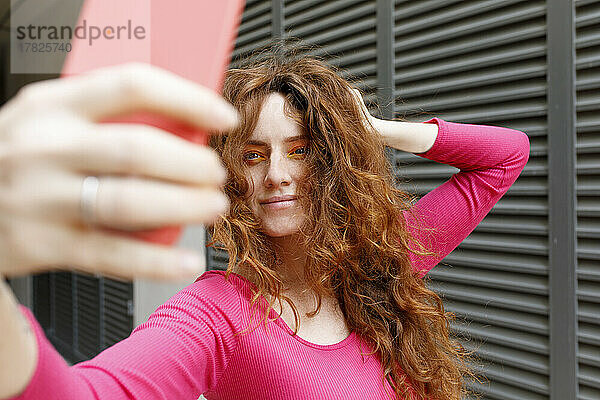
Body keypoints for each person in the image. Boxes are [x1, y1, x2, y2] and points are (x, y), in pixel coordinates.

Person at [0, 46, 530, 400]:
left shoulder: (385, 264)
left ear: (330, 162)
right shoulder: (220, 314)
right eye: (254, 156)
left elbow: (506, 156)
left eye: (299, 150)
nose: (277, 175)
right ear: (232, 174)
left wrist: (371, 129)